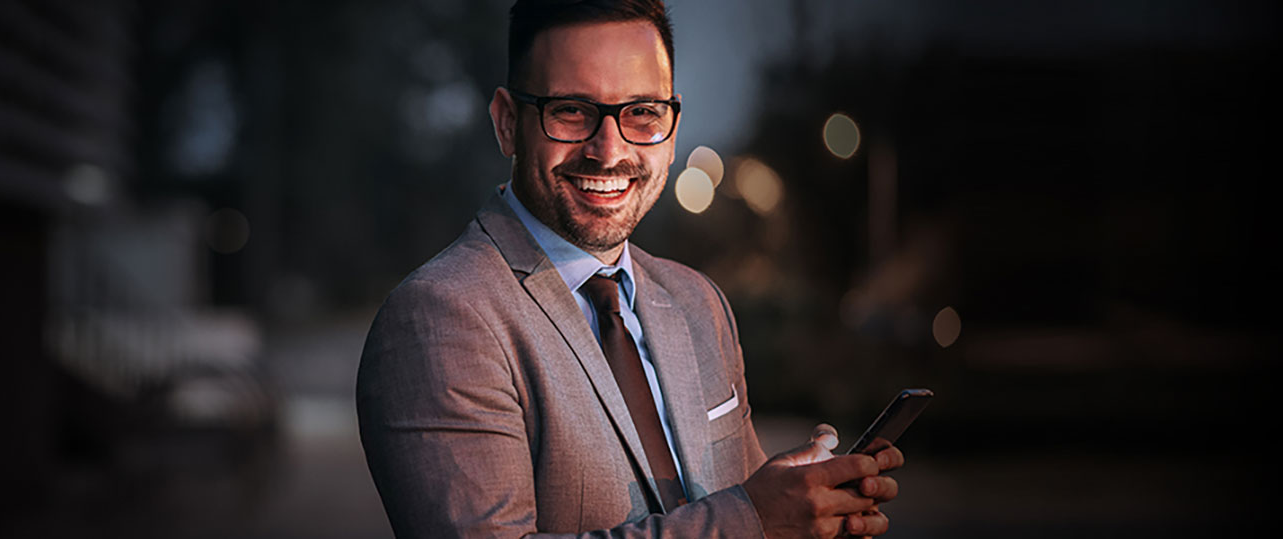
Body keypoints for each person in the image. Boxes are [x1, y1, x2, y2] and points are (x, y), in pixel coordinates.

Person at [356, 1, 903, 537]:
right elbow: (742, 518)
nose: (609, 149)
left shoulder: (698, 302)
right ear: (506, 123)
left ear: (673, 125)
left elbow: (742, 500)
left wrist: (809, 513)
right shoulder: (437, 318)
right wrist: (754, 520)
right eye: (571, 109)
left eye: (642, 112)